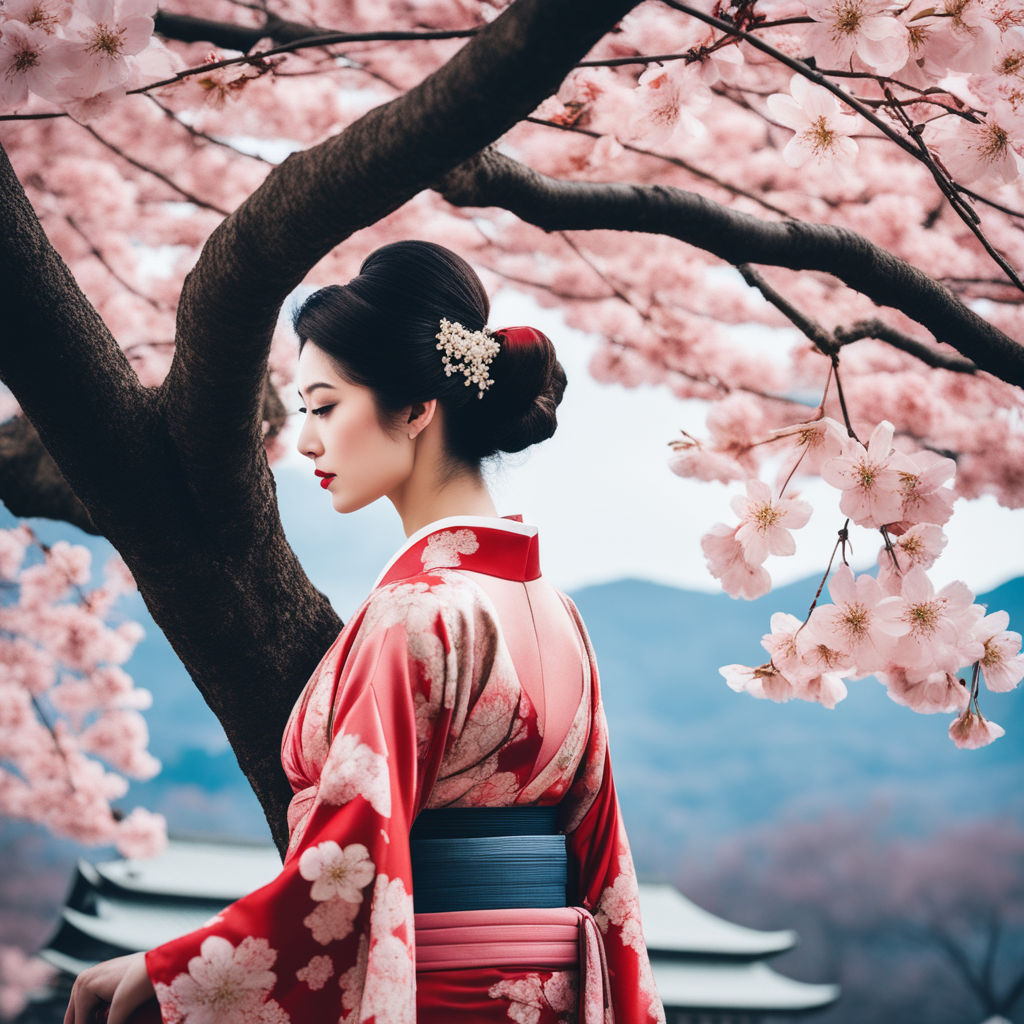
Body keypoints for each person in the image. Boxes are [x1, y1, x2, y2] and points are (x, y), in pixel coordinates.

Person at [64, 240, 666, 1024]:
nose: (306, 440)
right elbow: (603, 857)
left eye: (323, 406)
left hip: (442, 992)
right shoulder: (557, 610)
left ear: (417, 409)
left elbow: (346, 866)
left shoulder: (417, 614)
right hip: (558, 990)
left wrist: (175, 971)